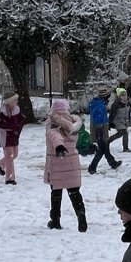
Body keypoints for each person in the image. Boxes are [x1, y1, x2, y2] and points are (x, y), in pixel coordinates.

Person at [44, 99, 89, 232]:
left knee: (56, 194)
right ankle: (81, 215)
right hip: (72, 162)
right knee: (74, 192)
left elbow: (54, 135)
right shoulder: (72, 124)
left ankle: (55, 220)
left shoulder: (53, 123)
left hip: (57, 163)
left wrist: (59, 147)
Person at [87, 89, 122, 174]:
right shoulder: (100, 106)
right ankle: (92, 167)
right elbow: (99, 119)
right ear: (104, 96)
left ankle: (112, 163)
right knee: (101, 149)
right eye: (108, 96)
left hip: (100, 129)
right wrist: (103, 128)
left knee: (105, 147)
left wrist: (108, 124)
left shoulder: (97, 103)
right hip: (100, 130)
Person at [0, 93, 26, 184]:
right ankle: (10, 178)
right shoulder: (3, 113)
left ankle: (0, 164)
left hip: (14, 136)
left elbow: (21, 120)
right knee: (9, 156)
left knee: (15, 154)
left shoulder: (17, 110)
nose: (17, 101)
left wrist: (19, 126)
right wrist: (9, 127)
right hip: (6, 138)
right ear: (9, 102)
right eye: (15, 100)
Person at [110, 87, 131, 152]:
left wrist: (129, 120)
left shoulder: (127, 103)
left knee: (123, 133)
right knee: (124, 133)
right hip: (117, 121)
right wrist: (110, 122)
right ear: (119, 96)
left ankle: (109, 140)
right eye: (122, 95)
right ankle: (125, 148)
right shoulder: (116, 104)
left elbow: (128, 112)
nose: (124, 97)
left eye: (125, 95)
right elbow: (112, 114)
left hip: (124, 121)